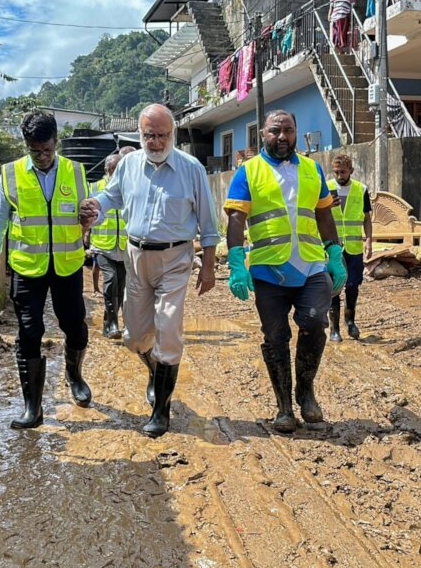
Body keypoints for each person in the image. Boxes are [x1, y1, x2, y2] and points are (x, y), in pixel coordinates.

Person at [79, 104, 220, 438]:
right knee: (135, 336)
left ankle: (161, 411)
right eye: (148, 136)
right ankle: (155, 372)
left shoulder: (191, 168)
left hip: (176, 258)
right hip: (137, 259)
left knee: (168, 330)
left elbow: (209, 224)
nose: (155, 143)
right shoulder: (128, 165)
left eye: (162, 135)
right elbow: (109, 199)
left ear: (173, 134)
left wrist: (210, 267)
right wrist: (95, 208)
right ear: (139, 135)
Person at [224, 109, 347, 433]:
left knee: (314, 322)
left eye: (288, 130)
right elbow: (236, 219)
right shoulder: (248, 172)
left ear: (296, 132)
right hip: (269, 272)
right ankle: (284, 408)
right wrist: (236, 261)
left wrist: (334, 251)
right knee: (276, 337)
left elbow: (323, 214)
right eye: (275, 131)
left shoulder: (312, 169)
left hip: (310, 265)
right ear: (263, 134)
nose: (282, 137)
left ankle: (305, 392)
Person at [0, 111, 92, 429]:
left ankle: (74, 375)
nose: (42, 157)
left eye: (47, 149)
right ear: (27, 146)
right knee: (29, 333)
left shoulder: (76, 171)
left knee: (75, 327)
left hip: (67, 266)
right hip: (27, 267)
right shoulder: (11, 174)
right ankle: (33, 407)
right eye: (35, 150)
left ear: (56, 142)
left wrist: (89, 220)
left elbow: (88, 214)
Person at [326, 154, 373, 341]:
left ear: (351, 171)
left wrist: (369, 240)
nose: (339, 176)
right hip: (332, 247)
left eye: (343, 172)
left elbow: (367, 218)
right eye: (336, 172)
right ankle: (334, 329)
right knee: (334, 287)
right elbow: (316, 215)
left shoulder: (361, 189)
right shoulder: (326, 189)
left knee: (353, 286)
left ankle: (350, 321)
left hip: (354, 247)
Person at [89, 153, 126, 340]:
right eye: (113, 170)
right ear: (106, 170)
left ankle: (108, 321)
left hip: (125, 247)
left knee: (121, 287)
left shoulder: (129, 186)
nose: (116, 174)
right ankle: (113, 323)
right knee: (111, 280)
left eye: (119, 170)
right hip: (103, 246)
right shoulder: (95, 188)